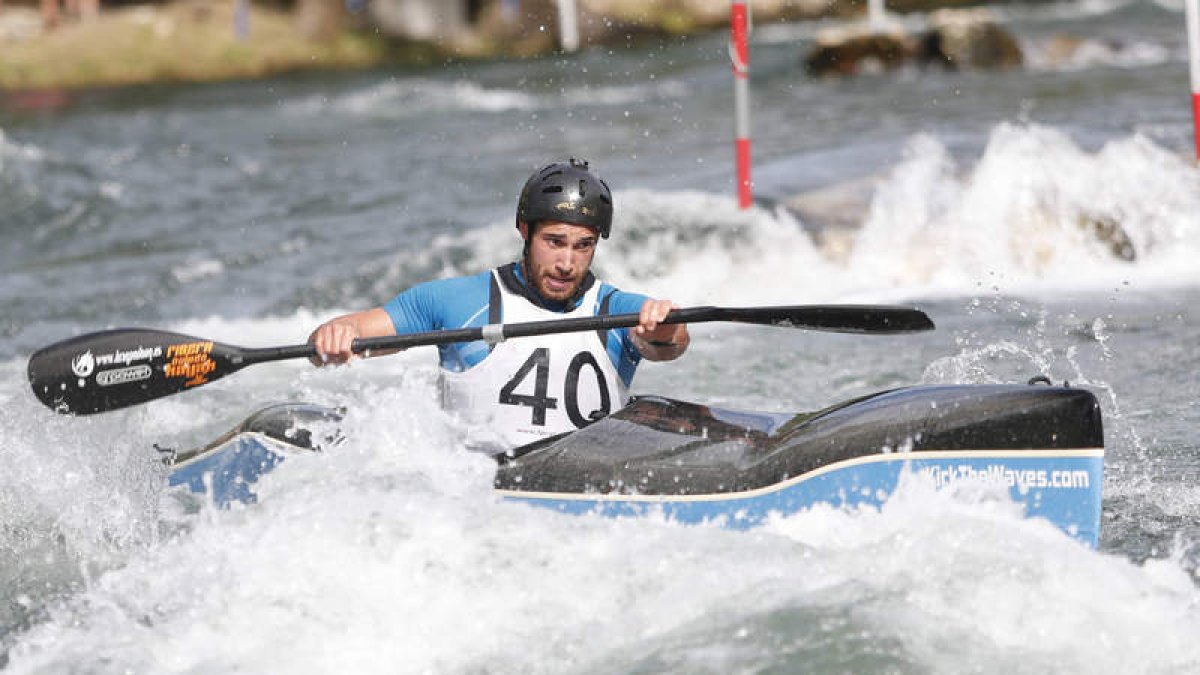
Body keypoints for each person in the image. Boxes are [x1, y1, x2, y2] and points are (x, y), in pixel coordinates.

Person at [309, 158, 689, 453]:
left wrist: (665, 328)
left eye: (582, 245)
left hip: (582, 486)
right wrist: (336, 335)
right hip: (479, 491)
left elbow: (669, 343)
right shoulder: (455, 301)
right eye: (554, 242)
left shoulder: (618, 309)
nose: (567, 263)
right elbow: (346, 336)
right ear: (526, 231)